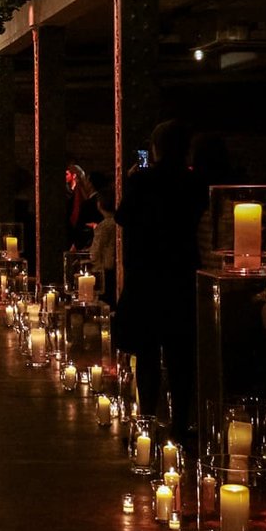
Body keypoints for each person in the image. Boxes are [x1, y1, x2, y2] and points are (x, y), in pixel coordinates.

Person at [113, 120, 205, 439]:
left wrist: (130, 182)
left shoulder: (144, 180)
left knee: (148, 353)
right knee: (181, 357)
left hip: (147, 277)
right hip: (180, 275)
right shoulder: (194, 183)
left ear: (156, 148)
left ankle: (147, 421)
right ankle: (180, 423)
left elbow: (122, 217)